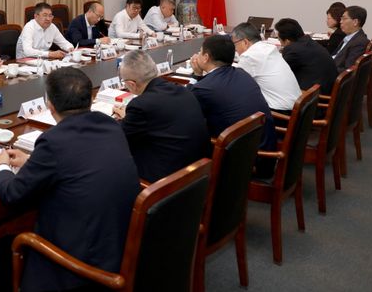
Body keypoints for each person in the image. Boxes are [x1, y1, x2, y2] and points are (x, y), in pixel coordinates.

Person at [0, 68, 140, 292]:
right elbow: (81, 159)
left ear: (50, 105)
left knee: (5, 246)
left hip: (80, 266)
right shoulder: (110, 125)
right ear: (90, 99)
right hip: (119, 243)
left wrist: (1, 166)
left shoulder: (53, 141)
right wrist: (32, 161)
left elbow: (12, 194)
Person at [189, 35, 277, 176]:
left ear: (205, 57)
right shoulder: (242, 74)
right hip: (265, 152)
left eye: (200, 52)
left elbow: (185, 105)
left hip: (244, 162)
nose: (197, 55)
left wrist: (195, 75)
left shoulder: (205, 88)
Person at [113, 50, 208, 183]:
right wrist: (129, 117)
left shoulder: (140, 105)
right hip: (198, 171)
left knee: (114, 157)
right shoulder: (182, 90)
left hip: (169, 181)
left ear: (131, 84)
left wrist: (120, 119)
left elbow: (119, 137)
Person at [230, 22, 301, 112]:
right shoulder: (268, 48)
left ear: (245, 42)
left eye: (235, 44)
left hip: (280, 112)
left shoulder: (249, 56)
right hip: (296, 105)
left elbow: (236, 84)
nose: (235, 49)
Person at [274, 18, 338, 95]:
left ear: (287, 41)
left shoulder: (293, 50)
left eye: (279, 40)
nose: (281, 44)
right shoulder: (308, 41)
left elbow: (278, 73)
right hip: (326, 89)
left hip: (314, 97)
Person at [332, 5, 370, 72]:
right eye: (341, 18)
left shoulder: (359, 43)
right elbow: (337, 55)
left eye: (344, 19)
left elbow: (348, 71)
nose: (340, 21)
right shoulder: (350, 36)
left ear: (355, 22)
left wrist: (326, 69)